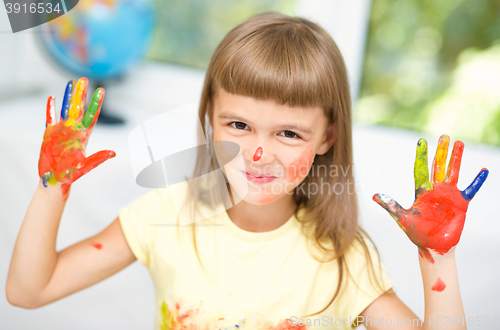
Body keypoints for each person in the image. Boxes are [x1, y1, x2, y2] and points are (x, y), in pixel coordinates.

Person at [6, 12, 488, 330]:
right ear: (208, 117)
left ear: (328, 138)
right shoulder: (164, 216)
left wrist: (437, 257)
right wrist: (53, 187)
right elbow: (30, 291)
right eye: (238, 125)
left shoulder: (342, 257)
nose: (258, 154)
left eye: (289, 134)